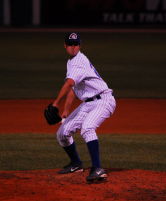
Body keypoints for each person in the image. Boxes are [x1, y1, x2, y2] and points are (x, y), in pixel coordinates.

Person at [52, 32, 116, 183]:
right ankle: (76, 164)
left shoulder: (79, 61)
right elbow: (74, 89)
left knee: (87, 128)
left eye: (76, 45)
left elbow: (69, 84)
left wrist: (55, 103)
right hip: (88, 103)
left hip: (103, 100)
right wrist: (66, 111)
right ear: (65, 46)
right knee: (63, 133)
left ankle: (98, 169)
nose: (73, 48)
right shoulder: (71, 62)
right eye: (70, 44)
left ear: (79, 46)